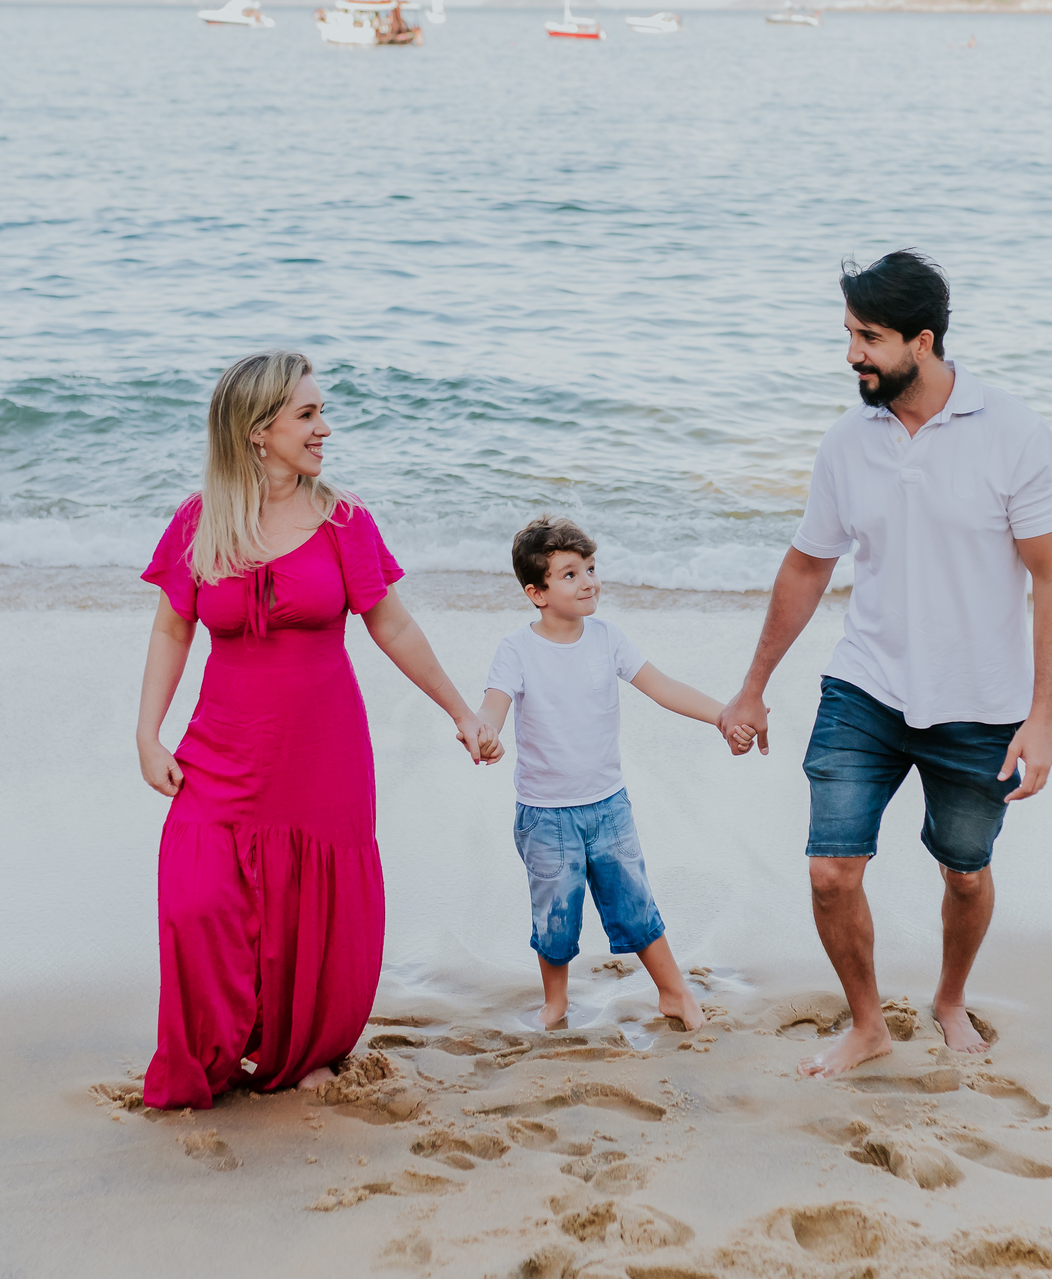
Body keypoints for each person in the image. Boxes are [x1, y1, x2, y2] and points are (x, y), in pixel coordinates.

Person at [718, 251, 1052, 1076]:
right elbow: (807, 565)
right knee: (830, 871)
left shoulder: (1014, 432)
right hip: (867, 686)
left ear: (923, 340)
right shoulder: (848, 441)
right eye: (847, 334)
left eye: (868, 338)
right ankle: (868, 1022)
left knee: (964, 872)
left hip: (981, 704)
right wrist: (754, 686)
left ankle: (950, 997)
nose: (852, 354)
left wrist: (1042, 714)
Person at [135, 350, 500, 1110]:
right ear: (257, 429)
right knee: (196, 898)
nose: (324, 428)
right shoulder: (198, 522)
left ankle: (301, 1052)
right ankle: (216, 1046)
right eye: (307, 414)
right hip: (222, 750)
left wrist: (461, 710)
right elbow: (173, 627)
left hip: (321, 749)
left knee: (311, 908)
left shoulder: (344, 519)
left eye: (320, 411)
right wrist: (149, 732)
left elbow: (391, 626)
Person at [478, 515, 754, 1032]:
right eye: (569, 575)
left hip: (609, 806)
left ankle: (674, 993)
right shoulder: (517, 649)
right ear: (536, 592)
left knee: (636, 905)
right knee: (556, 920)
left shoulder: (608, 638)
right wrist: (485, 732)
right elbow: (494, 704)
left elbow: (662, 685)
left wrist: (722, 714)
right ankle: (555, 1002)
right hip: (546, 816)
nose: (587, 581)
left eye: (589, 568)